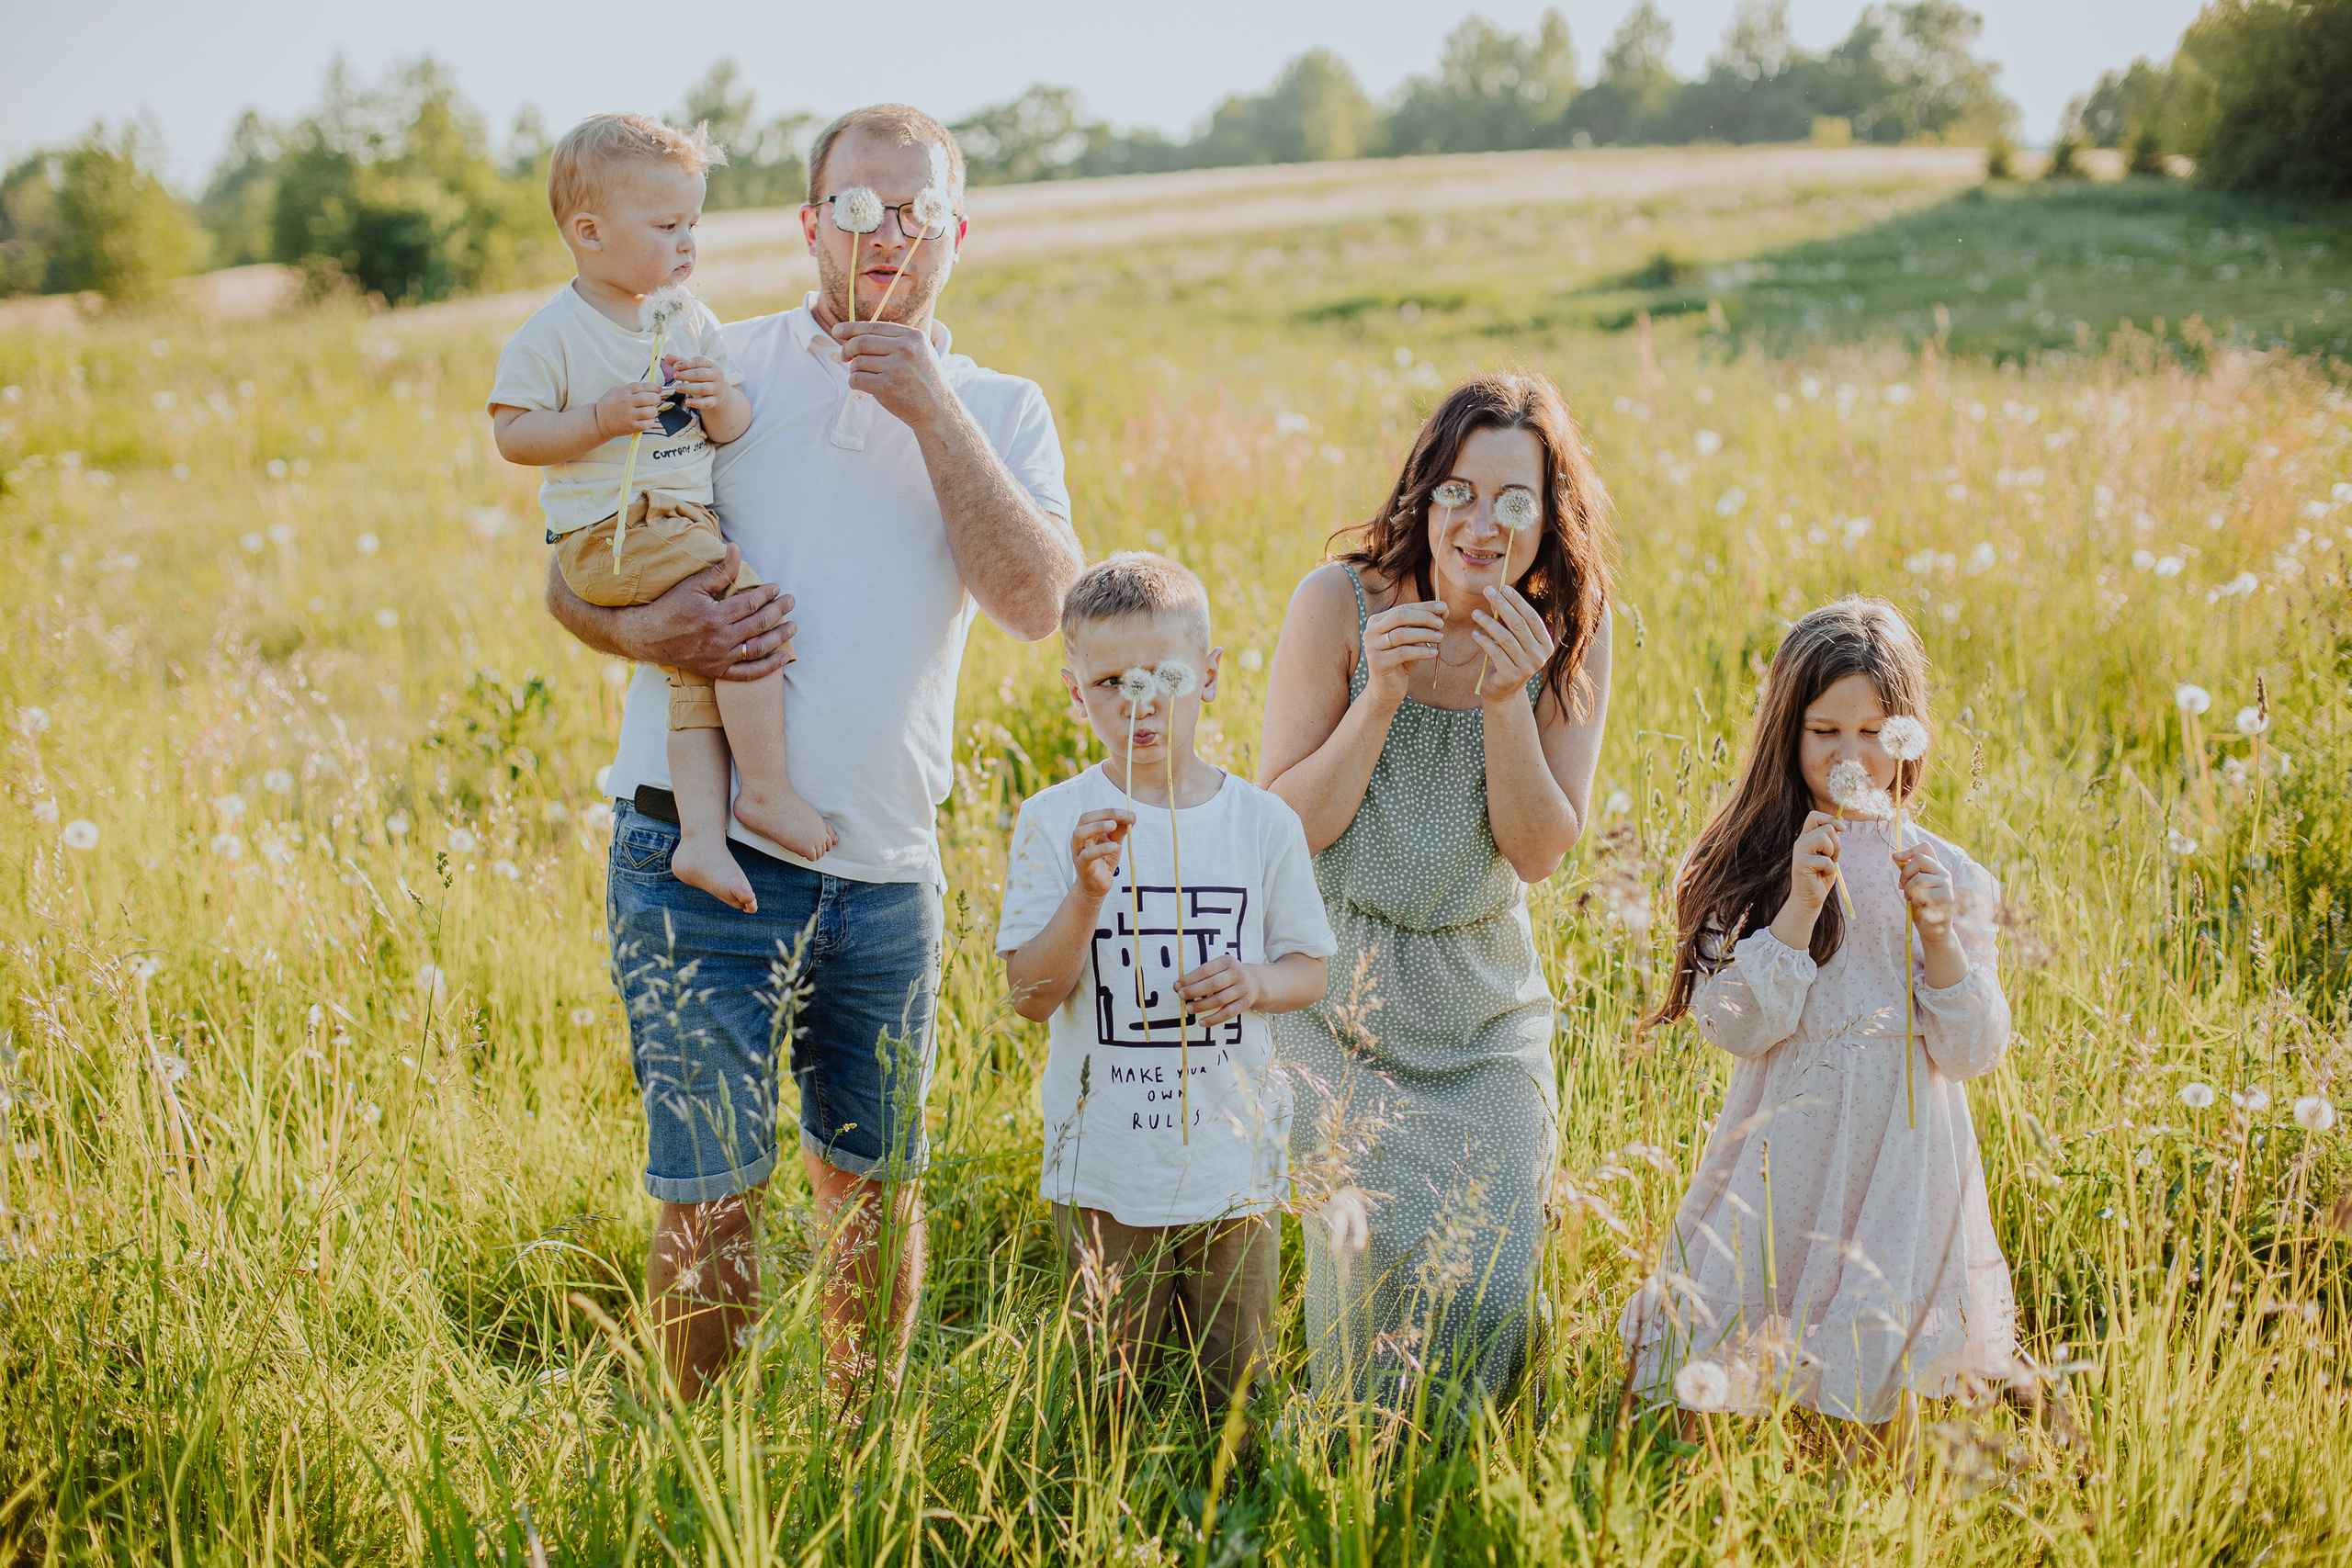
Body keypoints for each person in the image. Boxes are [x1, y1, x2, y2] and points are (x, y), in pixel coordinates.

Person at [545, 104, 1084, 1403]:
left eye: (913, 210)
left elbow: (1044, 603)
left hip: (884, 870)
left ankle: (862, 1459)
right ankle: (701, 1467)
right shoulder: (717, 362)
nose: (883, 231)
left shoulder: (1004, 409)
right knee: (711, 1197)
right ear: (807, 223)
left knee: (876, 1193)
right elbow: (569, 578)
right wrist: (642, 622)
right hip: (697, 853)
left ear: (957, 234)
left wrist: (928, 405)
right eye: (854, 204)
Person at [1258, 372, 1616, 1420]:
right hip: (1336, 995)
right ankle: (1355, 1464)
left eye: (1515, 498)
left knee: (1495, 1269)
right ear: (1424, 494)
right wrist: (1377, 701)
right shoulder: (1340, 602)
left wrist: (1508, 701)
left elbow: (1540, 851)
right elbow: (1284, 828)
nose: (1482, 522)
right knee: (1372, 1257)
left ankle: (1461, 1469)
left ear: (1548, 516)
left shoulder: (1573, 632)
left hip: (1482, 1001)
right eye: (1458, 491)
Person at [1619, 597, 2017, 1463]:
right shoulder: (1756, 860)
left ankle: (1860, 1509)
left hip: (1902, 1155)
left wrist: (1942, 938)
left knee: (1878, 1371)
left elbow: (1973, 1047)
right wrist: (1797, 907)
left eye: (1874, 731)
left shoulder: (1946, 873)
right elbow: (1731, 1022)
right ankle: (1718, 1496)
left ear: (1908, 734)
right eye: (1824, 730)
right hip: (1788, 1139)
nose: (1850, 756)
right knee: (1741, 1341)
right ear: (1786, 733)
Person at [997, 553, 1336, 1411]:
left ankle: (1234, 1519)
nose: (1140, 701)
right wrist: (1084, 892)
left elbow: (1311, 968)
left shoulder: (1263, 823)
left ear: (1210, 676)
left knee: (1237, 1387)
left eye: (1166, 676)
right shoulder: (1053, 821)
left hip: (1234, 1164)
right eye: (1110, 680)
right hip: (1107, 1165)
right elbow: (1029, 995)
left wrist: (1253, 983)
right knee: (1106, 1394)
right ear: (1075, 692)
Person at [490, 114, 834, 919]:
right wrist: (602, 418)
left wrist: (724, 402)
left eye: (694, 226)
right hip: (614, 530)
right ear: (589, 232)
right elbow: (514, 434)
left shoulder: (691, 318)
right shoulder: (552, 336)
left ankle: (702, 839)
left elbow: (732, 428)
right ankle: (769, 791)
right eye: (667, 226)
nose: (688, 245)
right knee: (745, 617)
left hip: (680, 524)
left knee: (695, 675)